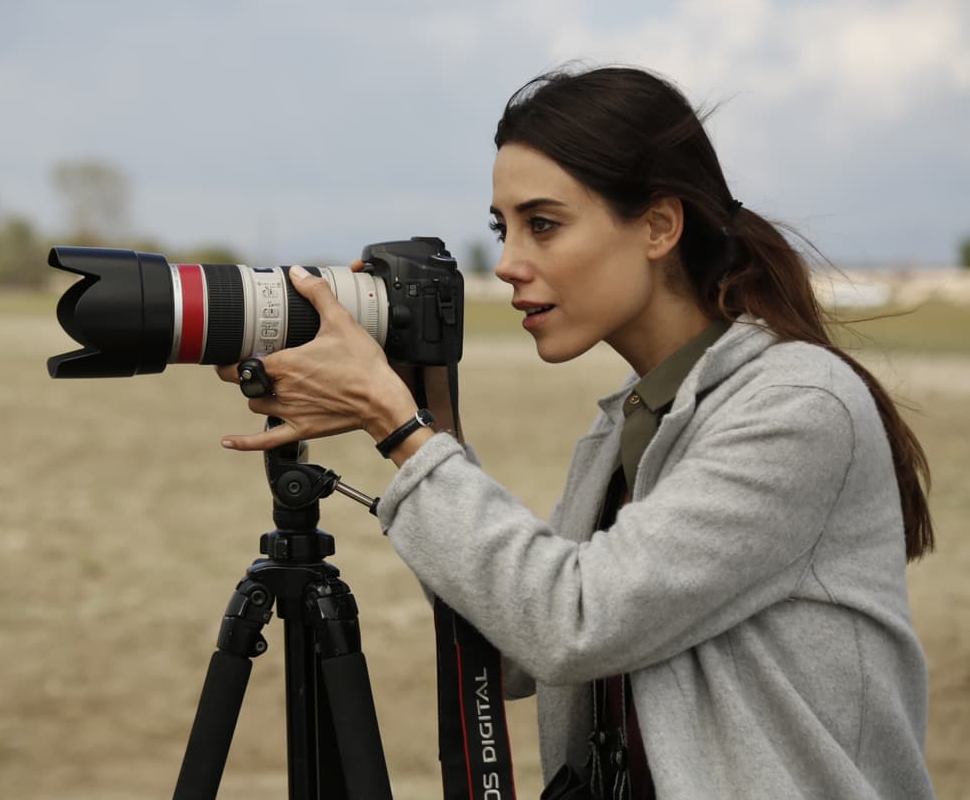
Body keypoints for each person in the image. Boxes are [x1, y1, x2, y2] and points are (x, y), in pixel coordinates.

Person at [216, 65, 936, 799]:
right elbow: (513, 648)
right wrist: (427, 415)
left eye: (544, 224)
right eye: (503, 228)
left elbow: (575, 621)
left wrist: (397, 427)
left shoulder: (797, 406)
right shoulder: (633, 419)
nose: (507, 263)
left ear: (659, 225)